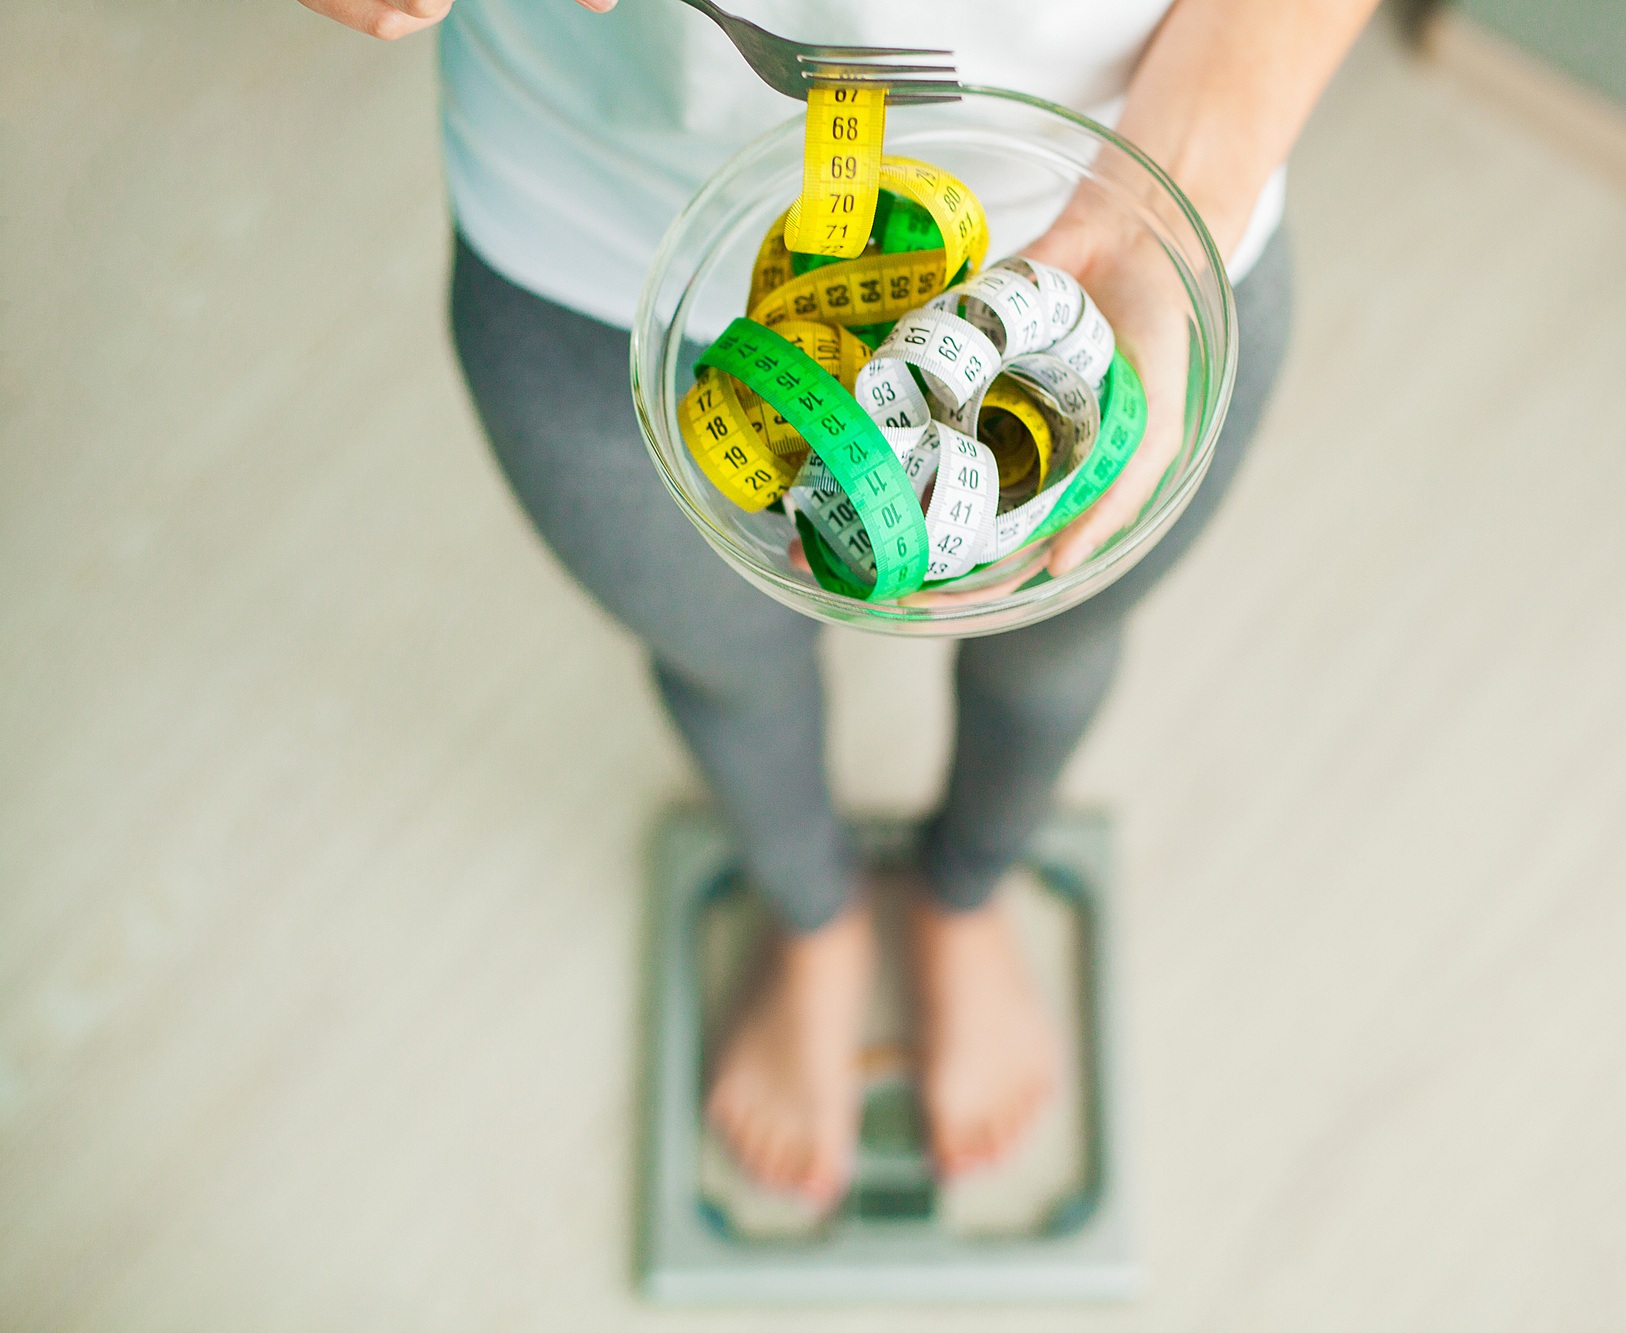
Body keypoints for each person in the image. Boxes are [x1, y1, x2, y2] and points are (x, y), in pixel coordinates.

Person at [299, 0, 1379, 1205]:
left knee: (1053, 654)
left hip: (1147, 205)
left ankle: (967, 891)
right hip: (599, 224)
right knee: (722, 667)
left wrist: (1162, 207)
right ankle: (810, 915)